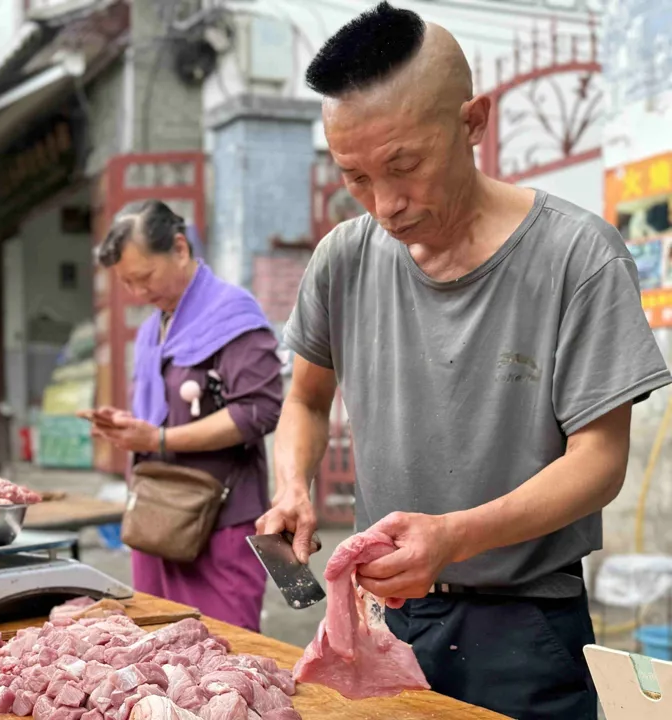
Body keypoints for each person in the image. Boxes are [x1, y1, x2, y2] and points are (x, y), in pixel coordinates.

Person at [260, 4, 671, 718]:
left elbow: (599, 462)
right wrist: (291, 484)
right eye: (354, 176)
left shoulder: (576, 256)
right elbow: (305, 398)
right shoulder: (344, 259)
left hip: (526, 626)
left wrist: (454, 537)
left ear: (473, 121)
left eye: (404, 166)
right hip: (387, 617)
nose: (385, 204)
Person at [83, 200, 283, 631]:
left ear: (178, 248)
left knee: (229, 661)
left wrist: (158, 440)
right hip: (157, 520)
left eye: (145, 278)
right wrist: (128, 428)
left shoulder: (233, 316)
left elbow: (260, 410)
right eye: (128, 284)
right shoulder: (153, 329)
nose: (139, 293)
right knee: (158, 655)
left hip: (221, 524)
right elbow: (164, 415)